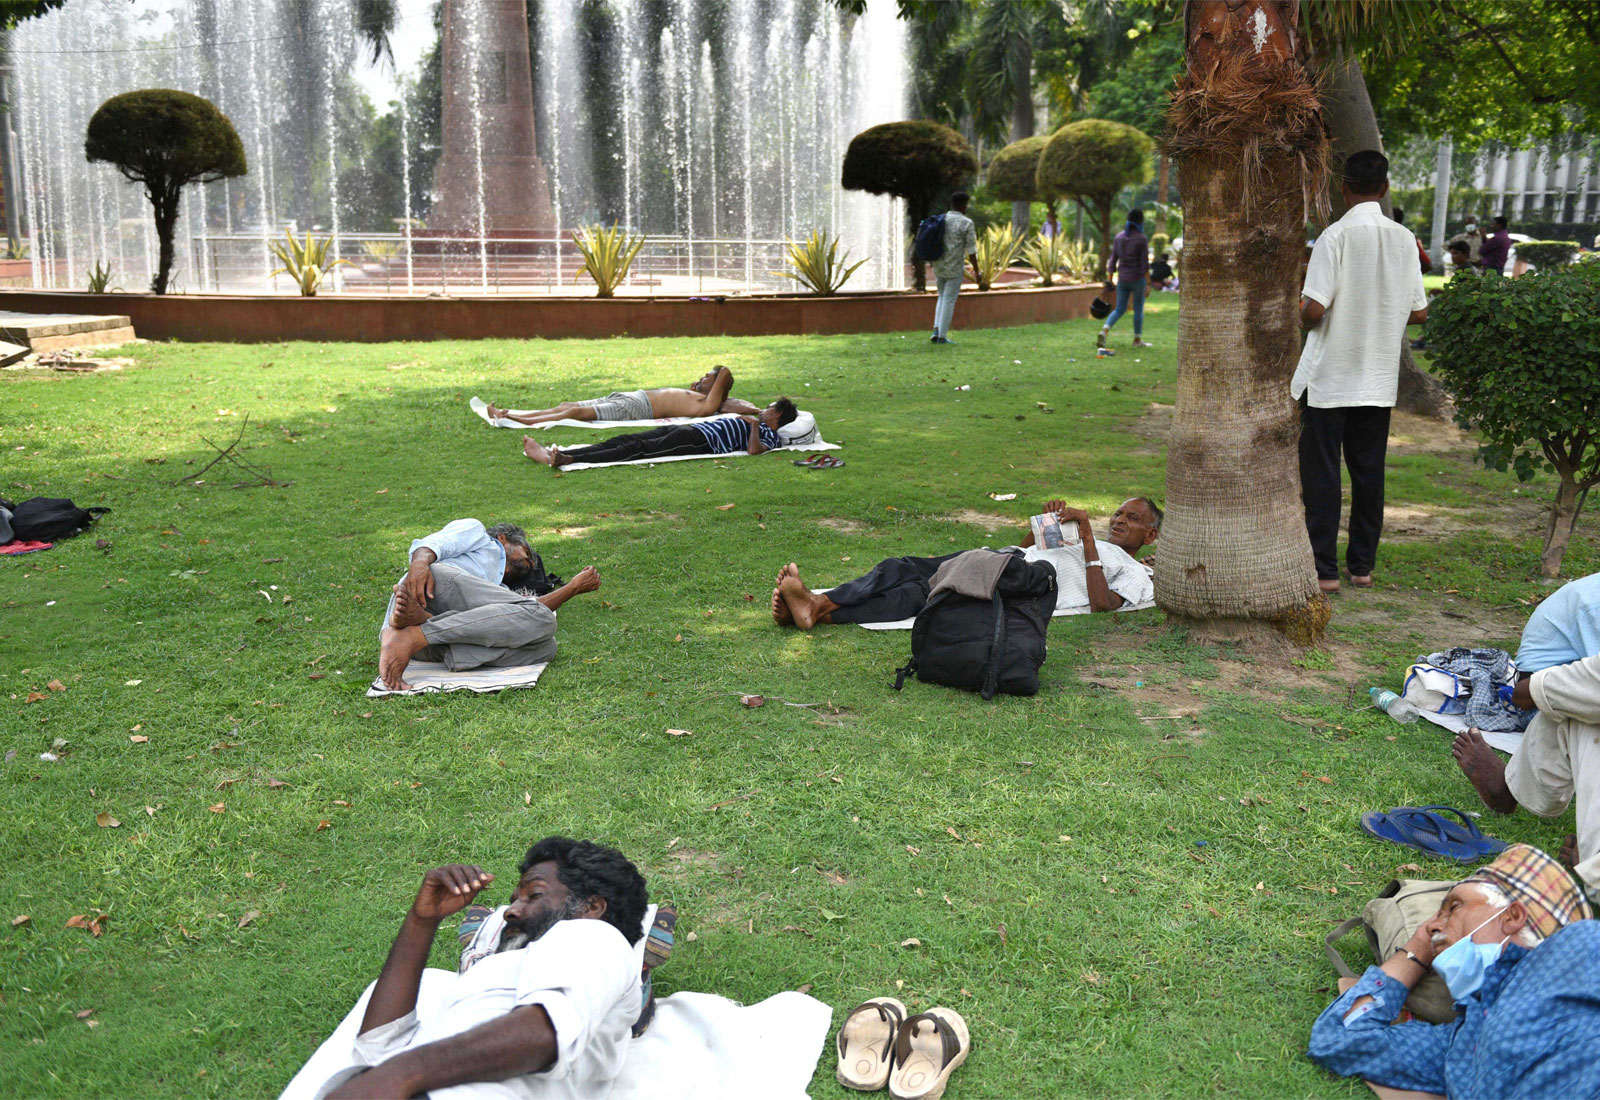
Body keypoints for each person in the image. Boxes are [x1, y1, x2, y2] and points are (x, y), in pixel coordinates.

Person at [282, 837, 650, 1100]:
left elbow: (546, 1034)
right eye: (513, 900)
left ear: (591, 906)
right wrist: (421, 921)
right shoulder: (484, 987)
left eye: (533, 895)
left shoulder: (595, 937)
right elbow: (379, 1046)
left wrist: (398, 1074)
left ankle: (639, 980)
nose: (510, 910)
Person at [1307, 843, 1599, 1099]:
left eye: (1453, 906)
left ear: (1512, 916)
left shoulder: (1581, 947)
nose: (1432, 925)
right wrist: (1418, 947)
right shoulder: (1460, 1040)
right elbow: (1341, 1040)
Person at [1292, 150, 1428, 594]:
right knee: (1369, 474)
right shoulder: (1405, 239)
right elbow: (1419, 313)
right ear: (1385, 188)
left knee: (1323, 474)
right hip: (1377, 378)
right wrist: (1379, 314)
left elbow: (1314, 307)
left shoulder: (1334, 237)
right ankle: (1362, 567)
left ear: (1343, 189)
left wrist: (1297, 315)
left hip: (1330, 376)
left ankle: (1324, 570)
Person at [772, 497, 1160, 629]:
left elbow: (1102, 606)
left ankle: (818, 606)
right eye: (1118, 514)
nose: (1120, 521)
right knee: (903, 567)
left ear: (1151, 537)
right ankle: (817, 608)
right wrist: (1044, 526)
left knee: (921, 593)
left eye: (1133, 519)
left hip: (1024, 582)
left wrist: (1090, 538)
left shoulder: (1135, 572)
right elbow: (1026, 548)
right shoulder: (1092, 545)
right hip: (1006, 559)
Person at [1452, 572, 1600, 888]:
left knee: (1569, 706)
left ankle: (1509, 790)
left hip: (1551, 682)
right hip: (1549, 672)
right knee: (1570, 703)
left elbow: (1527, 694)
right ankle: (1509, 789)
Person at [378, 519, 601, 690]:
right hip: (432, 588)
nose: (531, 562)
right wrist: (419, 564)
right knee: (542, 618)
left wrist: (573, 588)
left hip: (430, 649)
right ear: (504, 538)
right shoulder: (481, 538)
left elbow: (532, 613)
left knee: (546, 646)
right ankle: (417, 633)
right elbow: (433, 544)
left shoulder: (501, 588)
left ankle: (421, 628)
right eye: (527, 552)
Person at [522, 398, 799, 468]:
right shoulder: (756, 416)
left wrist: (752, 424)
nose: (764, 409)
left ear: (778, 415)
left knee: (635, 450)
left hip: (700, 442)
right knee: (627, 439)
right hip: (691, 428)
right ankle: (565, 455)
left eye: (770, 408)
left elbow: (754, 451)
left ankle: (571, 460)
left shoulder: (770, 436)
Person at [483, 366, 759, 426]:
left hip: (636, 409)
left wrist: (718, 377)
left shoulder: (705, 405)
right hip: (631, 397)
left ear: (716, 389)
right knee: (567, 404)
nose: (701, 378)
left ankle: (517, 419)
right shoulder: (697, 396)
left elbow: (726, 372)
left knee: (573, 413)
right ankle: (512, 413)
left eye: (706, 378)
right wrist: (706, 382)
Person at [1098, 208, 1151, 349]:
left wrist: (1110, 279)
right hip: (1137, 279)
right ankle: (1137, 340)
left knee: (1119, 309)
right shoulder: (1142, 239)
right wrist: (1149, 284)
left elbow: (1112, 260)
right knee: (1138, 309)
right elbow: (1144, 264)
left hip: (1122, 279)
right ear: (1140, 221)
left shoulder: (1118, 237)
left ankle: (1104, 330)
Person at [930, 191, 978, 345]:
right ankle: (942, 337)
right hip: (954, 267)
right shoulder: (966, 223)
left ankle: (936, 330)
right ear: (963, 205)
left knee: (942, 296)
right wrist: (977, 271)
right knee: (949, 300)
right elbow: (971, 251)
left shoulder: (942, 219)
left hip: (939, 264)